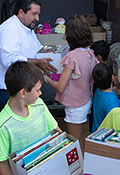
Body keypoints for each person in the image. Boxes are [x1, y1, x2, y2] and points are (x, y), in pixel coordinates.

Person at [0, 0, 57, 117]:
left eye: (38, 14)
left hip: (20, 87)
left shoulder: (27, 28)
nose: (38, 18)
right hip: (3, 90)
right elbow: (9, 60)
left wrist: (54, 55)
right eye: (34, 14)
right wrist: (38, 62)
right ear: (21, 12)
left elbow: (37, 50)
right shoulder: (10, 29)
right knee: (11, 129)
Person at [0, 61, 61, 175]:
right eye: (38, 89)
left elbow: (56, 130)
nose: (41, 93)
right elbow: (1, 162)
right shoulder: (1, 125)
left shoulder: (39, 104)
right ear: (23, 93)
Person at [45, 15, 99, 151]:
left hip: (75, 105)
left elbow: (61, 87)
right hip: (86, 100)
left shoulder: (72, 57)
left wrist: (45, 78)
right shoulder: (90, 53)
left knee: (74, 142)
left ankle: (78, 169)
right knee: (81, 137)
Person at [91, 63, 120, 133]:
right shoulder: (113, 102)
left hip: (96, 131)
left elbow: (108, 94)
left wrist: (116, 87)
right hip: (104, 136)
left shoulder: (98, 91)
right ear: (112, 78)